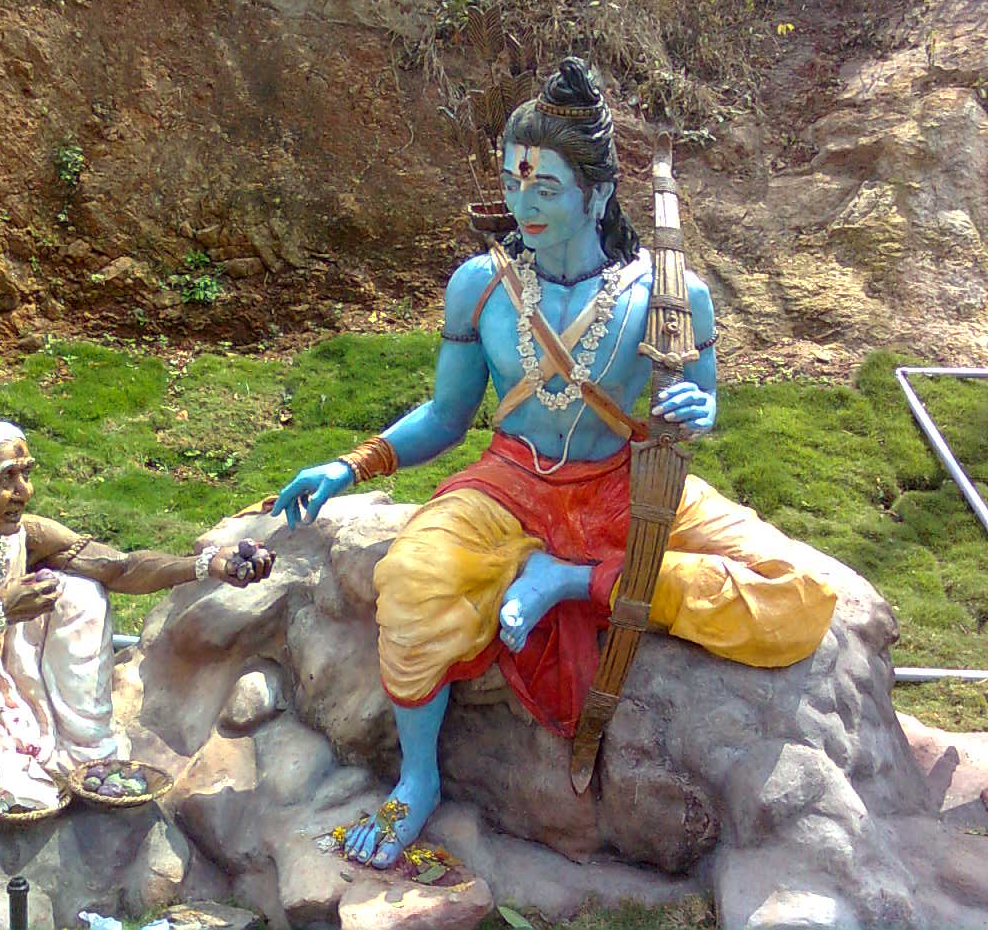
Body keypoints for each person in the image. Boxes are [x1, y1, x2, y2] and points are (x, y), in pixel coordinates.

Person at [272, 58, 836, 868]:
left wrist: (695, 411)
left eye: (544, 189)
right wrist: (351, 465)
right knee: (412, 581)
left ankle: (570, 581)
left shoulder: (670, 294)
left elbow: (700, 407)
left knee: (800, 596)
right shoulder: (479, 286)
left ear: (598, 194)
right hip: (510, 484)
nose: (521, 205)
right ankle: (419, 779)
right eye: (512, 184)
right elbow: (446, 416)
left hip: (627, 487)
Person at [0, 419, 273, 809]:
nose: (23, 491)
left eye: (26, 474)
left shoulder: (24, 534)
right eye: (5, 478)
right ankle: (8, 761)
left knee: (79, 591)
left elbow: (119, 567)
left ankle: (81, 748)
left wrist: (207, 564)